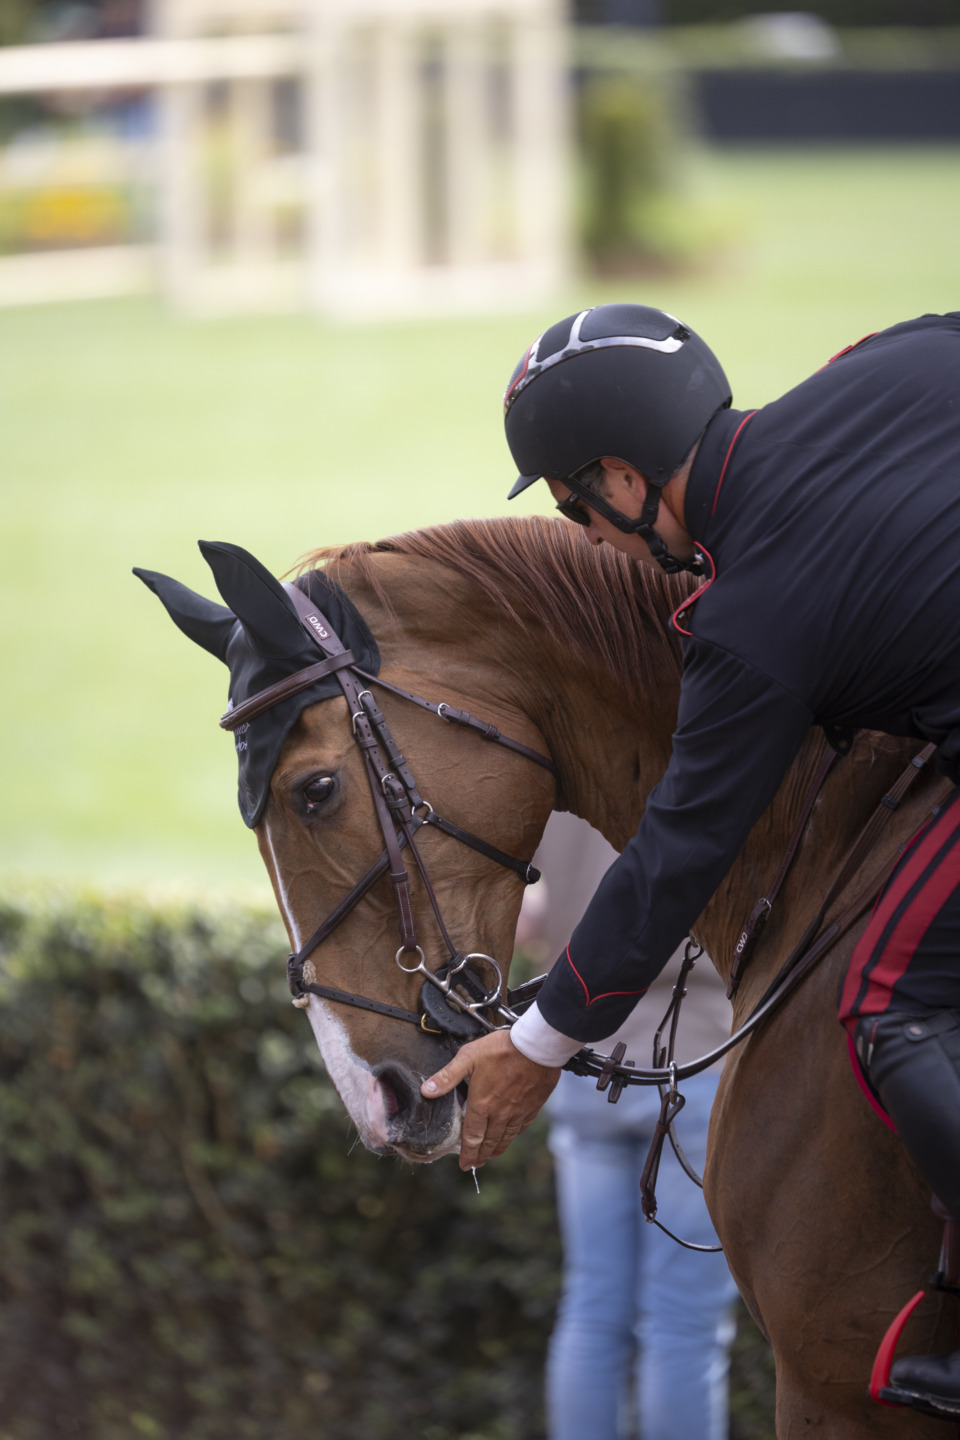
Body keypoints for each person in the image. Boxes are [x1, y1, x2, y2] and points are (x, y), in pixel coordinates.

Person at [419, 302, 960, 1415]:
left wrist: (536, 1046)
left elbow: (678, 853)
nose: (582, 532)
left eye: (574, 503)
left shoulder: (753, 619)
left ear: (623, 478)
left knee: (882, 996)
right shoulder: (874, 363)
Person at [519, 812, 737, 1440]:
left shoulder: (571, 745)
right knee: (684, 1327)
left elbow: (532, 914)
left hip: (585, 1064)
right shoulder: (720, 752)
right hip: (695, 1062)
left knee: (591, 1309)